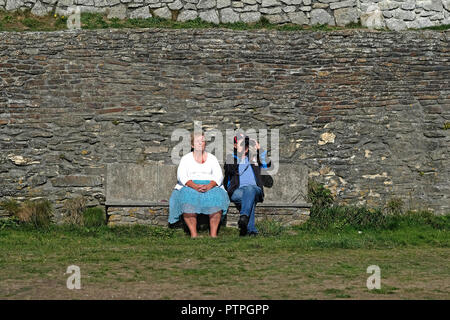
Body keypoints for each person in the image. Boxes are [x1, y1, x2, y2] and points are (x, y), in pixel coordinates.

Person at [168, 132, 229, 238]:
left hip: (210, 184)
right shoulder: (186, 159)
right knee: (187, 198)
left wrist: (210, 186)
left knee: (217, 197)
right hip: (190, 185)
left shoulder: (212, 158)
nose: (201, 143)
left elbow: (218, 175)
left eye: (203, 141)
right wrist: (194, 186)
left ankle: (213, 234)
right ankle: (194, 234)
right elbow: (182, 176)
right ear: (192, 145)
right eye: (197, 142)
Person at [224, 133, 271, 236]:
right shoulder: (231, 157)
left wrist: (260, 149)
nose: (244, 145)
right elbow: (230, 170)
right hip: (237, 191)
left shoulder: (253, 157)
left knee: (250, 190)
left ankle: (244, 217)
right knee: (249, 199)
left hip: (255, 189)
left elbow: (267, 165)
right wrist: (240, 155)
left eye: (245, 142)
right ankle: (251, 230)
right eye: (240, 143)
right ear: (235, 145)